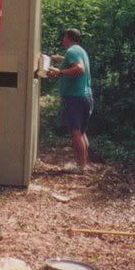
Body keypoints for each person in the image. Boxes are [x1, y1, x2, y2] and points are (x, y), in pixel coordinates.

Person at [47, 28, 92, 172]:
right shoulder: (80, 50)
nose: (62, 40)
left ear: (68, 38)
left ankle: (80, 167)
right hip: (85, 97)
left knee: (75, 132)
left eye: (64, 37)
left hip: (75, 98)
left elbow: (79, 69)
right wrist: (59, 59)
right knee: (81, 132)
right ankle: (83, 164)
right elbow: (73, 63)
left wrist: (59, 72)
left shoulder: (72, 51)